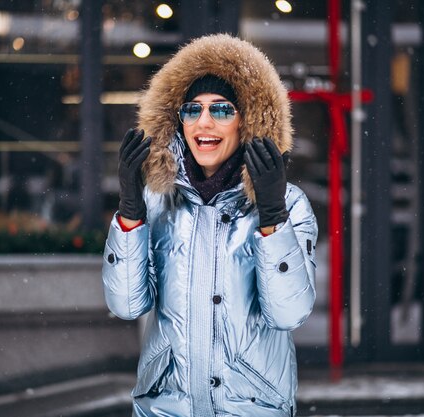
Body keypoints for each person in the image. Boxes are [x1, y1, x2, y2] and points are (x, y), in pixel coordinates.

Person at [102, 34, 317, 417]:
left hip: (251, 408)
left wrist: (272, 218)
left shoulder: (289, 204)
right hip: (165, 408)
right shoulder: (157, 201)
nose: (204, 122)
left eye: (221, 110)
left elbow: (290, 313)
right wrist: (130, 213)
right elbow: (126, 305)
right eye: (192, 109)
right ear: (176, 119)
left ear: (247, 120)